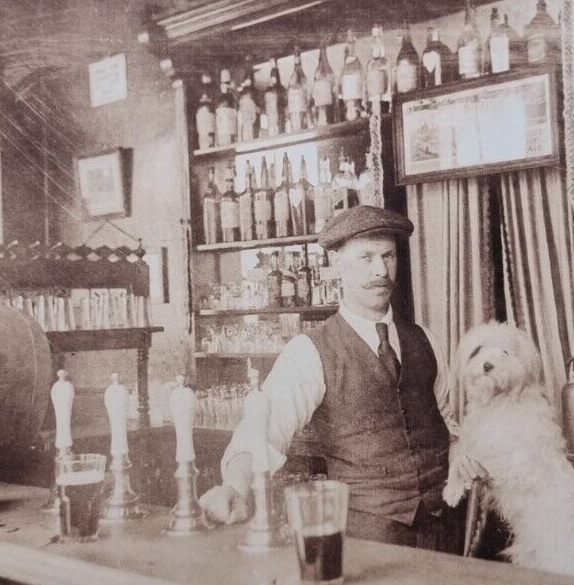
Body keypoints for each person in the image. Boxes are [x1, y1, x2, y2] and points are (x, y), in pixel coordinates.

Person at [200, 206, 467, 552]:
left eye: (388, 256)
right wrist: (235, 487)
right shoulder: (309, 351)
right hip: (369, 540)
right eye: (365, 257)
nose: (379, 270)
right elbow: (263, 429)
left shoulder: (424, 339)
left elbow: (446, 423)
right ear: (336, 266)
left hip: (447, 528)